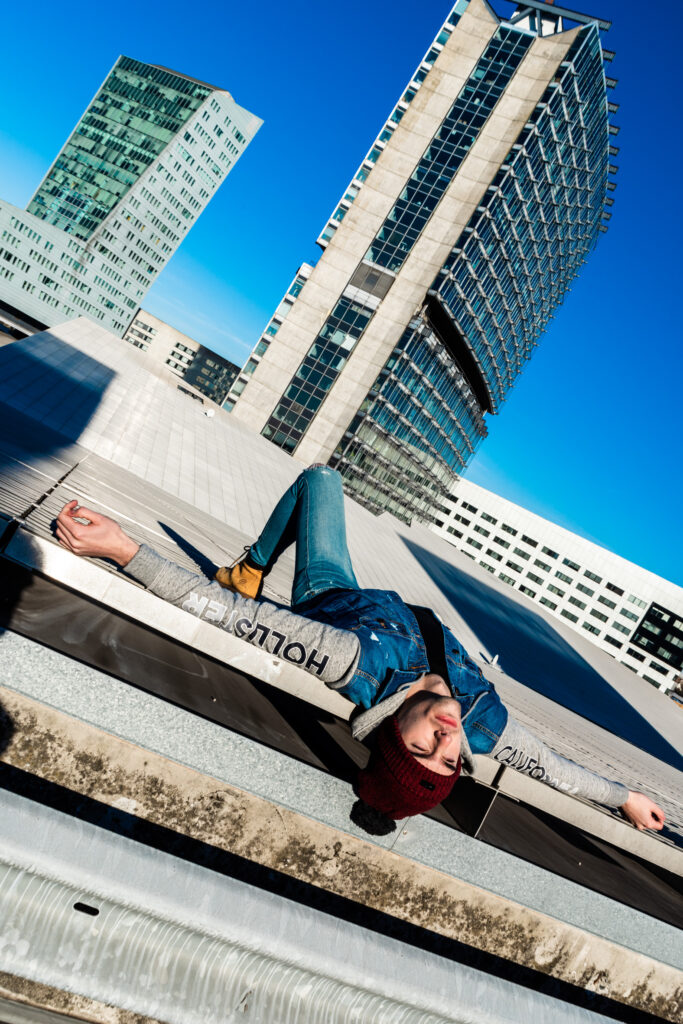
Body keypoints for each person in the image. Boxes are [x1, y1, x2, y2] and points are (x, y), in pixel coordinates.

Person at [55, 466, 665, 836]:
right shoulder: (482, 728)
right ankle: (249, 566)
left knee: (320, 481)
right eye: (448, 759)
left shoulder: (347, 661)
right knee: (315, 486)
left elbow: (223, 615)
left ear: (391, 727)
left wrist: (122, 550)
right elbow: (558, 772)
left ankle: (252, 569)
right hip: (387, 608)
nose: (447, 739)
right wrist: (629, 799)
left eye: (422, 747)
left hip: (334, 595)